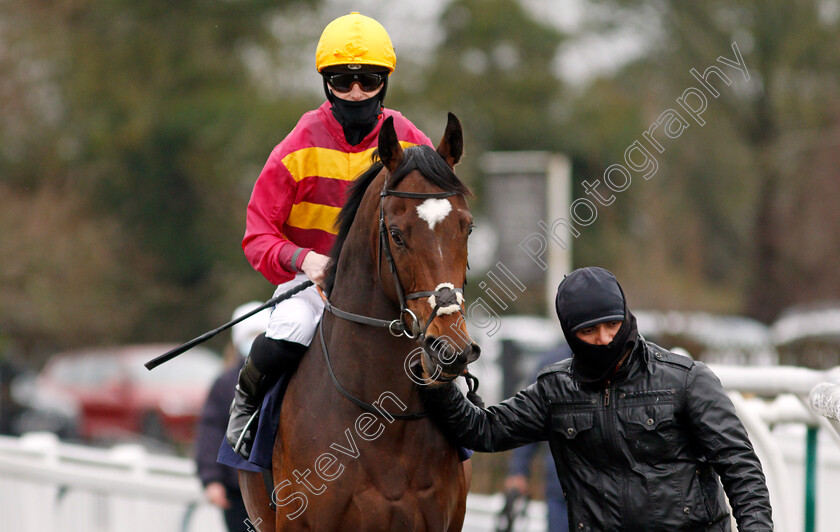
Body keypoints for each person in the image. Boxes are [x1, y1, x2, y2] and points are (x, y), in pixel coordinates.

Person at [225, 12, 434, 459]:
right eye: (343, 81)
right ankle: (247, 410)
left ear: (385, 82)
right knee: (291, 329)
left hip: (391, 286)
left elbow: (436, 218)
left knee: (439, 338)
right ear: (326, 83)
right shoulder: (297, 145)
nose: (356, 93)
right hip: (313, 286)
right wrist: (305, 260)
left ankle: (462, 434)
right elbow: (257, 235)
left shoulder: (414, 143)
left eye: (369, 81)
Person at [423, 267, 773, 531]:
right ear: (570, 334)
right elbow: (484, 430)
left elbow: (741, 468)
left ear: (625, 316)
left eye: (612, 325)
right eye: (588, 331)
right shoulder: (554, 390)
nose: (605, 339)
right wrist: (440, 381)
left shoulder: (687, 380)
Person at [195, 302, 271, 531]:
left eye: (261, 333)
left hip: (279, 486)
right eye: (250, 335)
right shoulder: (225, 383)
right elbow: (211, 431)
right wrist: (212, 480)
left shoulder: (288, 377)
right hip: (237, 490)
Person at [503, 345, 571, 532]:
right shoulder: (551, 364)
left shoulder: (629, 362)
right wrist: (518, 471)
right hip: (561, 484)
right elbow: (529, 419)